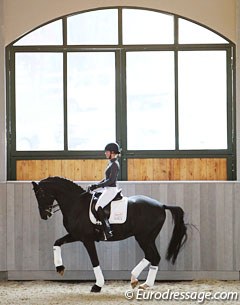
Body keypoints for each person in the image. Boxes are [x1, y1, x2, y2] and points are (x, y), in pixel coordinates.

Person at [89, 142, 121, 240]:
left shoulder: (115, 164)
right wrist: (96, 185)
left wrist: (98, 186)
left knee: (99, 206)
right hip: (107, 189)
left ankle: (107, 231)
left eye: (107, 152)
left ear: (112, 152)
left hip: (111, 190)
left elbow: (111, 180)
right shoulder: (111, 163)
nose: (105, 153)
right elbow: (106, 179)